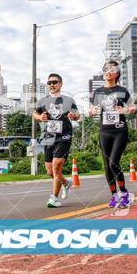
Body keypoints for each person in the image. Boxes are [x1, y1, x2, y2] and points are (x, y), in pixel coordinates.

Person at [89, 60, 136, 208]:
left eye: (111, 69)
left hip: (120, 130)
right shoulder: (98, 92)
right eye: (105, 69)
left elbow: (133, 108)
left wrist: (125, 110)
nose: (107, 71)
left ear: (116, 73)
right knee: (107, 166)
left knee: (113, 163)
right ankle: (114, 195)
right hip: (104, 131)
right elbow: (90, 111)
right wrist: (92, 111)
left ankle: (123, 193)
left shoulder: (122, 90)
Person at [33, 73, 80, 208]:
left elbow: (77, 115)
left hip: (64, 136)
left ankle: (54, 198)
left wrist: (74, 117)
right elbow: (35, 113)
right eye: (49, 83)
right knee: (50, 172)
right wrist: (40, 117)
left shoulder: (68, 100)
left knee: (56, 165)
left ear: (60, 84)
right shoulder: (43, 101)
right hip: (49, 137)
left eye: (54, 82)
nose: (52, 85)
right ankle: (66, 183)